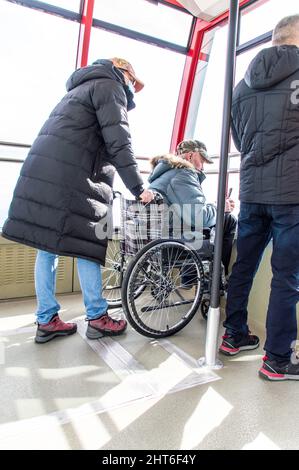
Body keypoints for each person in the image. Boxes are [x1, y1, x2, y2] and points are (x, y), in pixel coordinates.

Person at [2, 57, 154, 343]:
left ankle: (46, 319)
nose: (133, 88)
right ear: (122, 72)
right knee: (89, 244)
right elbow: (119, 141)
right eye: (132, 81)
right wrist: (138, 188)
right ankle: (97, 317)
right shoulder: (110, 86)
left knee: (46, 247)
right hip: (74, 177)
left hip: (44, 172)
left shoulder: (78, 89)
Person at [219, 15, 299, 381]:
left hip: (252, 190)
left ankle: (234, 334)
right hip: (292, 194)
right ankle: (277, 359)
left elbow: (238, 140)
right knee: (286, 277)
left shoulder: (241, 86)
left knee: (244, 266)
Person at [147, 139, 237, 277]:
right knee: (228, 219)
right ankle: (215, 281)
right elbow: (200, 218)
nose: (203, 167)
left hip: (155, 237)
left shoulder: (164, 174)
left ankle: (190, 278)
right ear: (190, 156)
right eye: (202, 160)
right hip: (170, 242)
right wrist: (220, 207)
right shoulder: (183, 174)